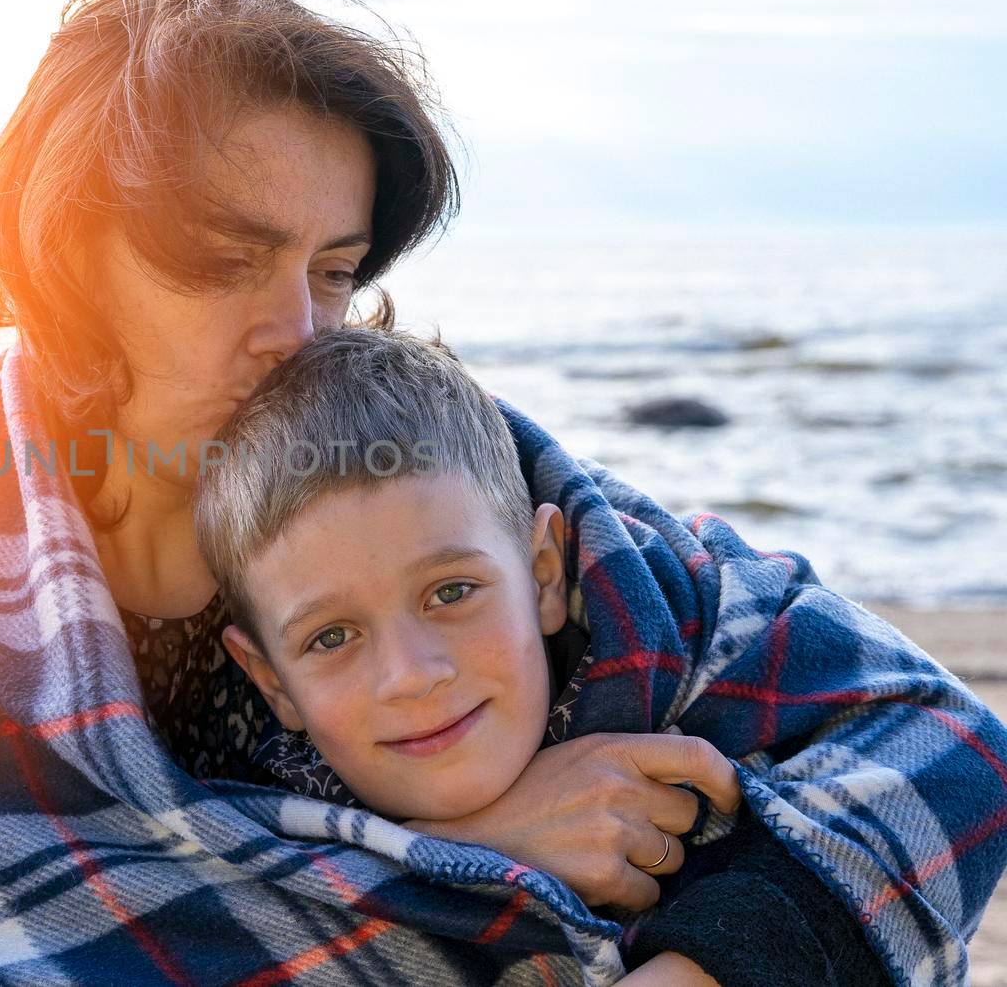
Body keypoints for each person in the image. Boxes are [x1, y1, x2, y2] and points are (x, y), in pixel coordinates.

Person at [0, 0, 1007, 985]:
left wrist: (704, 962)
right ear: (68, 251)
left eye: (332, 269)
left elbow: (941, 738)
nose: (293, 328)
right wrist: (465, 842)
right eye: (225, 259)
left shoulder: (427, 465)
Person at [193, 325, 909, 985]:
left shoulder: (680, 629)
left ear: (544, 572)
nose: (412, 673)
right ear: (271, 681)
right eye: (331, 637)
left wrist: (704, 961)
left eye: (451, 591)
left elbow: (953, 747)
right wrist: (453, 856)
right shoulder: (230, 838)